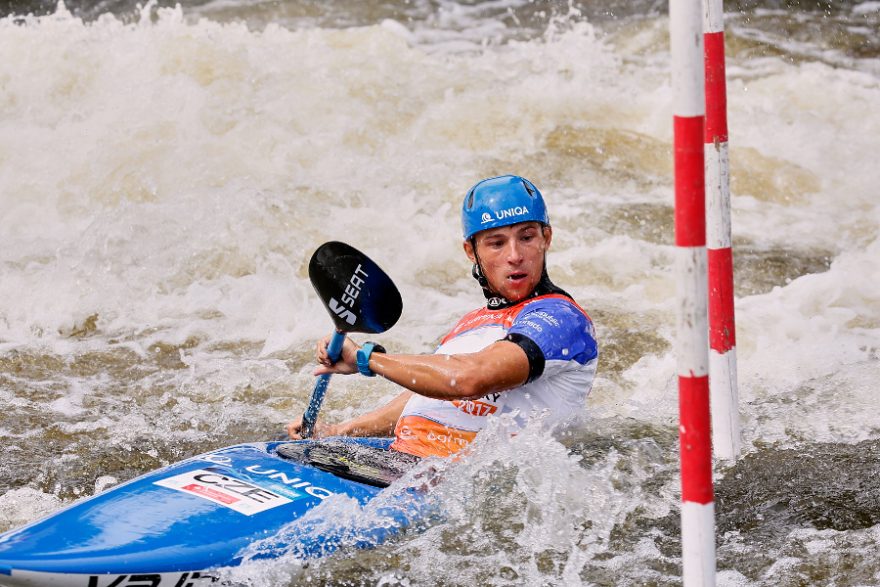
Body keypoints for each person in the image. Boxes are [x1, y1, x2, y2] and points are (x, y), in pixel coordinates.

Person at [287, 175, 598, 459]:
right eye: (496, 242)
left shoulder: (562, 319)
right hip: (403, 461)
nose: (514, 255)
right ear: (470, 251)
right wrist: (340, 431)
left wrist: (367, 359)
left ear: (547, 238)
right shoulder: (470, 323)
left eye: (527, 237)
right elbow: (430, 394)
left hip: (463, 485)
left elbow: (469, 378)